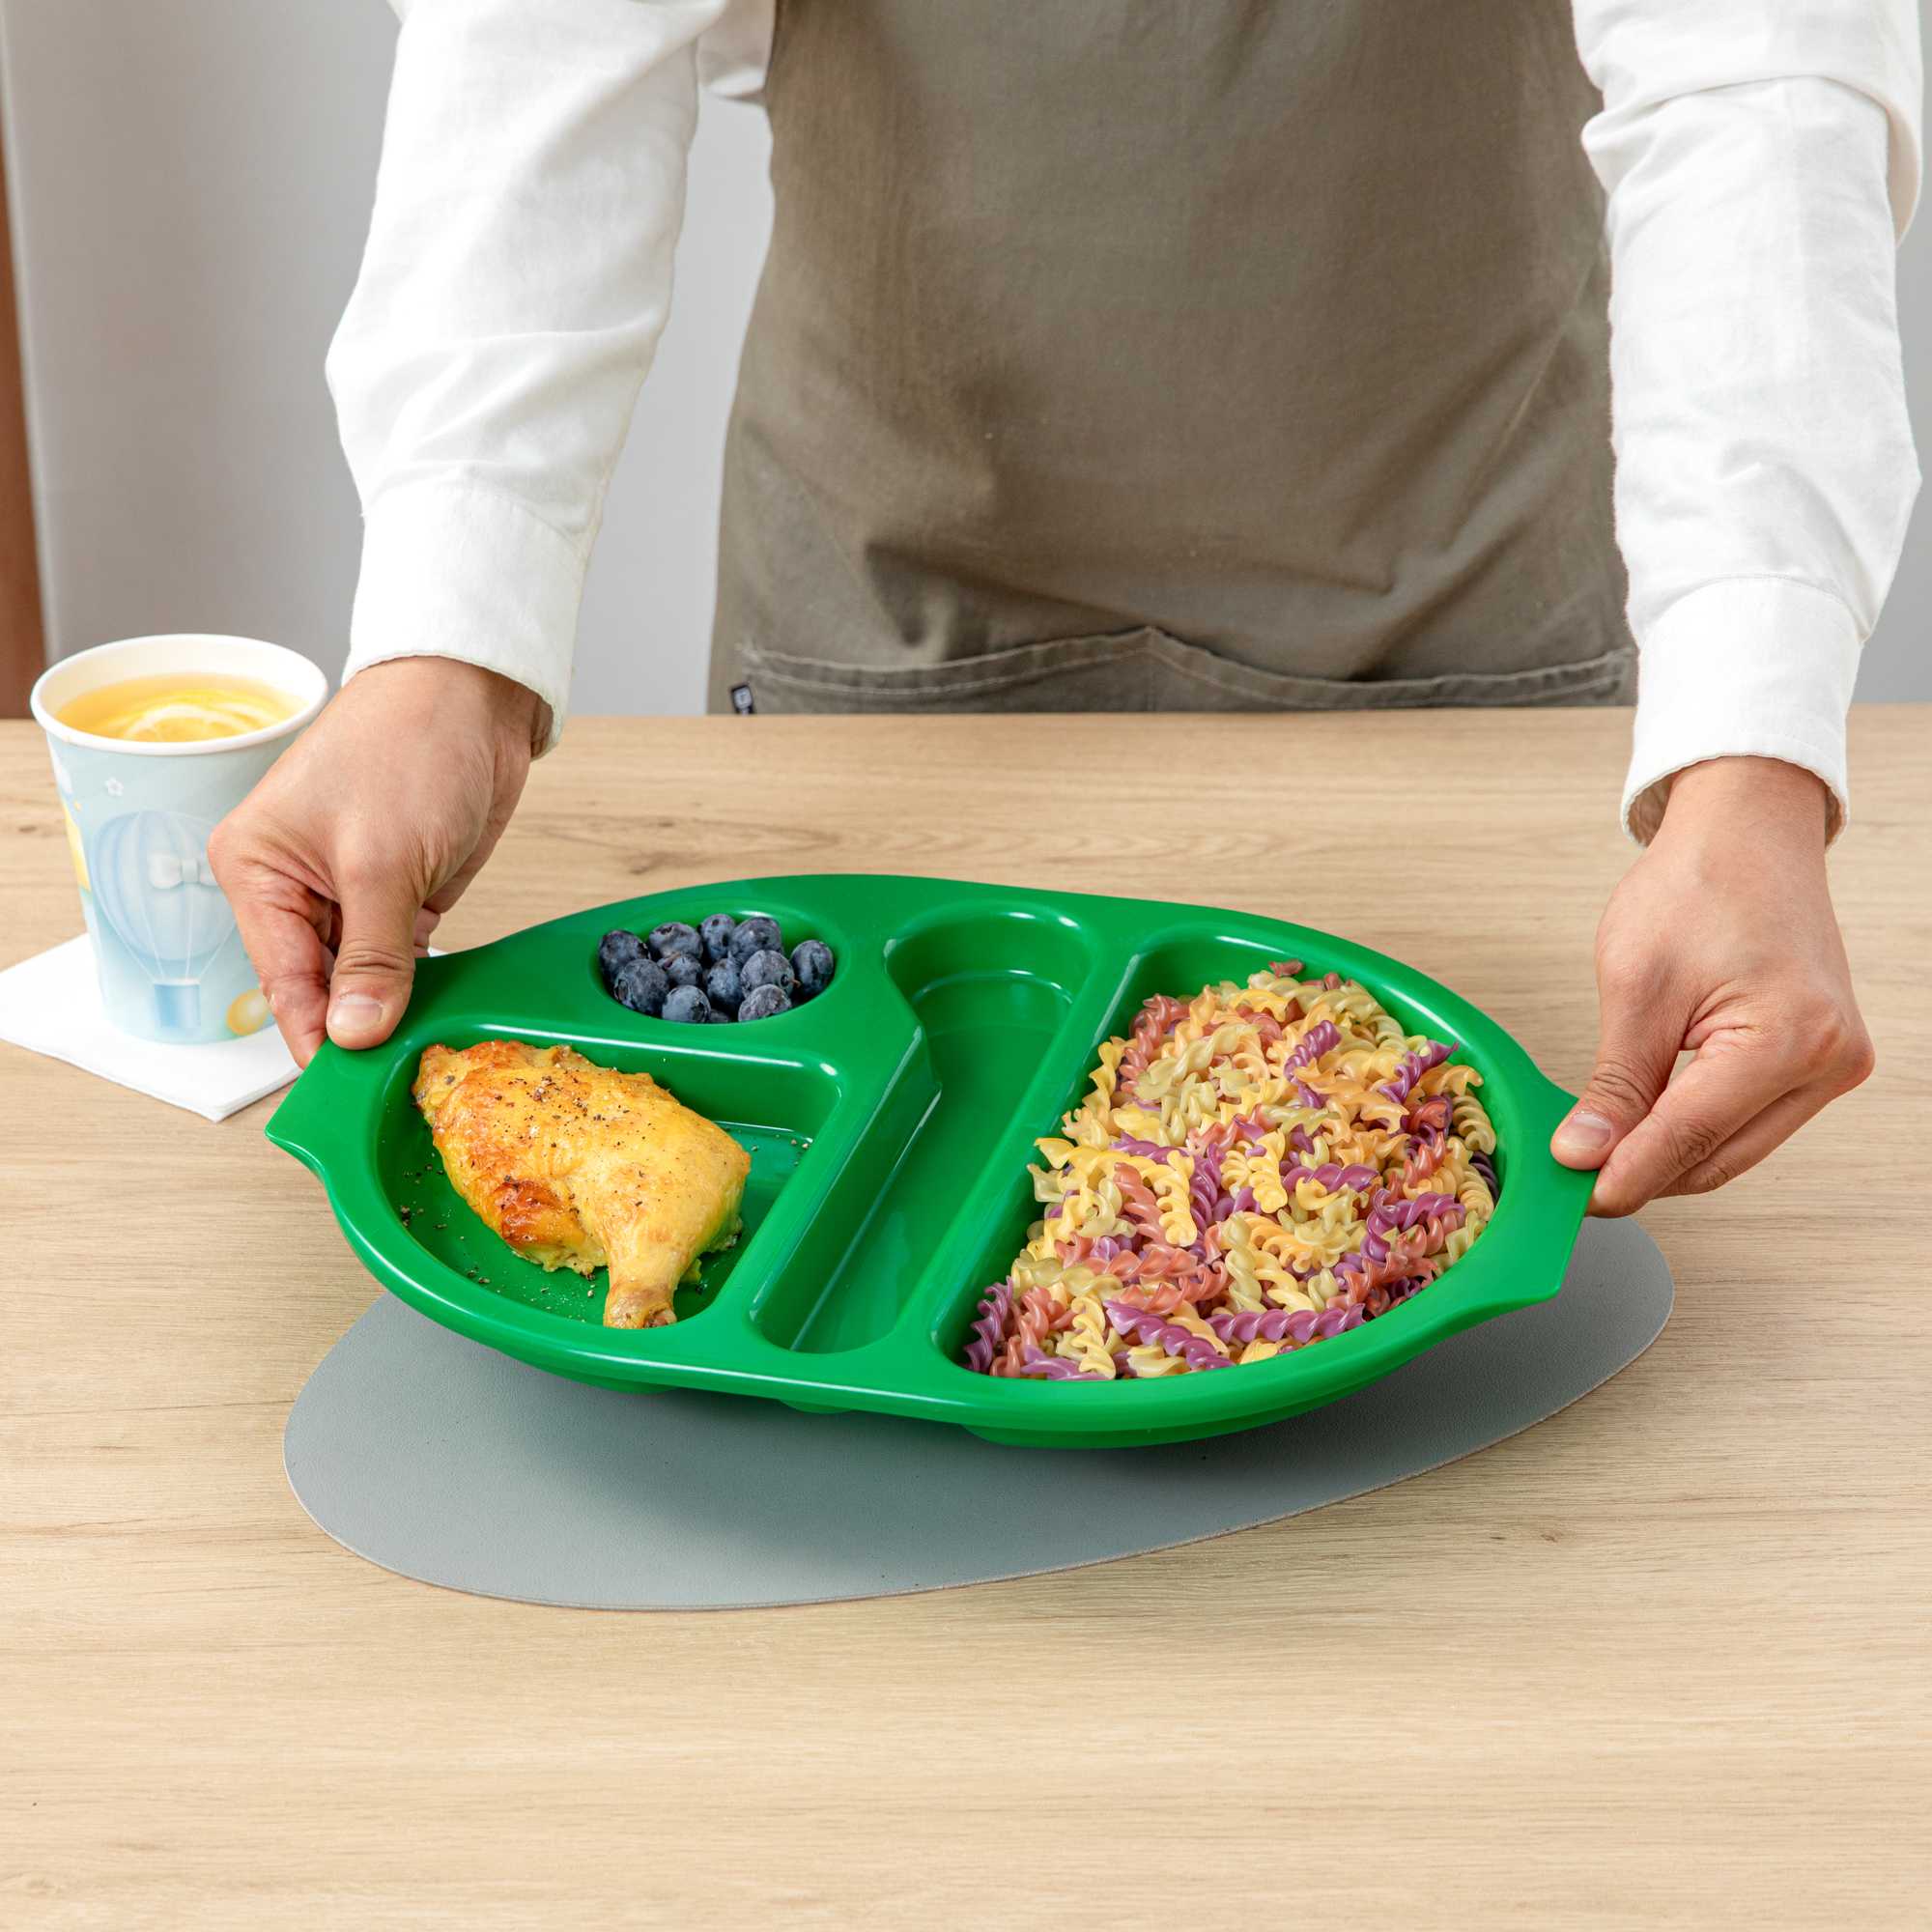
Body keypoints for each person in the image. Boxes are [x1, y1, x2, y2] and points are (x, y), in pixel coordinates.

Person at [211, 1, 1918, 1217]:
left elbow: (1757, 73)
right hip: (889, 602)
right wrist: (447, 640)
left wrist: (1751, 756)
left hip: (1460, 595)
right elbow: (539, 33)